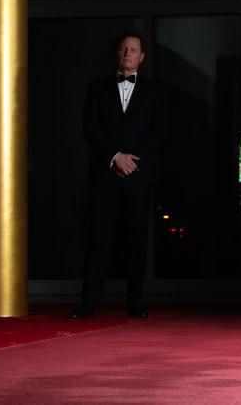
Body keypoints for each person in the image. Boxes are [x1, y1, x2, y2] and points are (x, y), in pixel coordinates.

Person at [70, 33, 167, 319]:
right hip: (105, 176)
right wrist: (115, 157)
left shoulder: (155, 91)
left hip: (139, 175)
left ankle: (135, 304)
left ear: (142, 57)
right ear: (117, 54)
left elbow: (160, 131)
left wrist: (132, 160)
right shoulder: (96, 88)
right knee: (99, 240)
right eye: (123, 49)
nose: (127, 54)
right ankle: (88, 304)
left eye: (133, 50)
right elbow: (90, 128)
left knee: (137, 242)